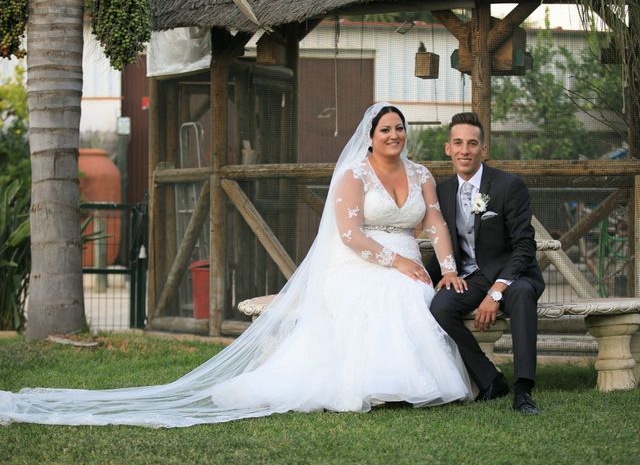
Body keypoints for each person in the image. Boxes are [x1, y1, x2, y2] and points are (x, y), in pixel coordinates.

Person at [0, 102, 473, 428]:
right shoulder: (354, 174)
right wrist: (393, 260)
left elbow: (434, 221)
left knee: (417, 294)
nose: (394, 135)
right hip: (360, 262)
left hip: (409, 263)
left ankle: (411, 385)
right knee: (390, 294)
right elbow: (349, 235)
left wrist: (447, 266)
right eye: (385, 129)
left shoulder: (421, 174)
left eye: (399, 128)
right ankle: (376, 386)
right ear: (369, 137)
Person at [425, 112, 545, 415]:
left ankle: (523, 390)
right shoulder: (443, 191)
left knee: (520, 296)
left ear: (484, 150)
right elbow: (444, 241)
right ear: (448, 148)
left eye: (472, 144)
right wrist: (422, 274)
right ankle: (490, 379)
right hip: (471, 276)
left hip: (512, 274)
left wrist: (497, 292)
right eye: (458, 143)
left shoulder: (508, 186)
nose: (465, 150)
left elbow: (524, 245)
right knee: (440, 307)